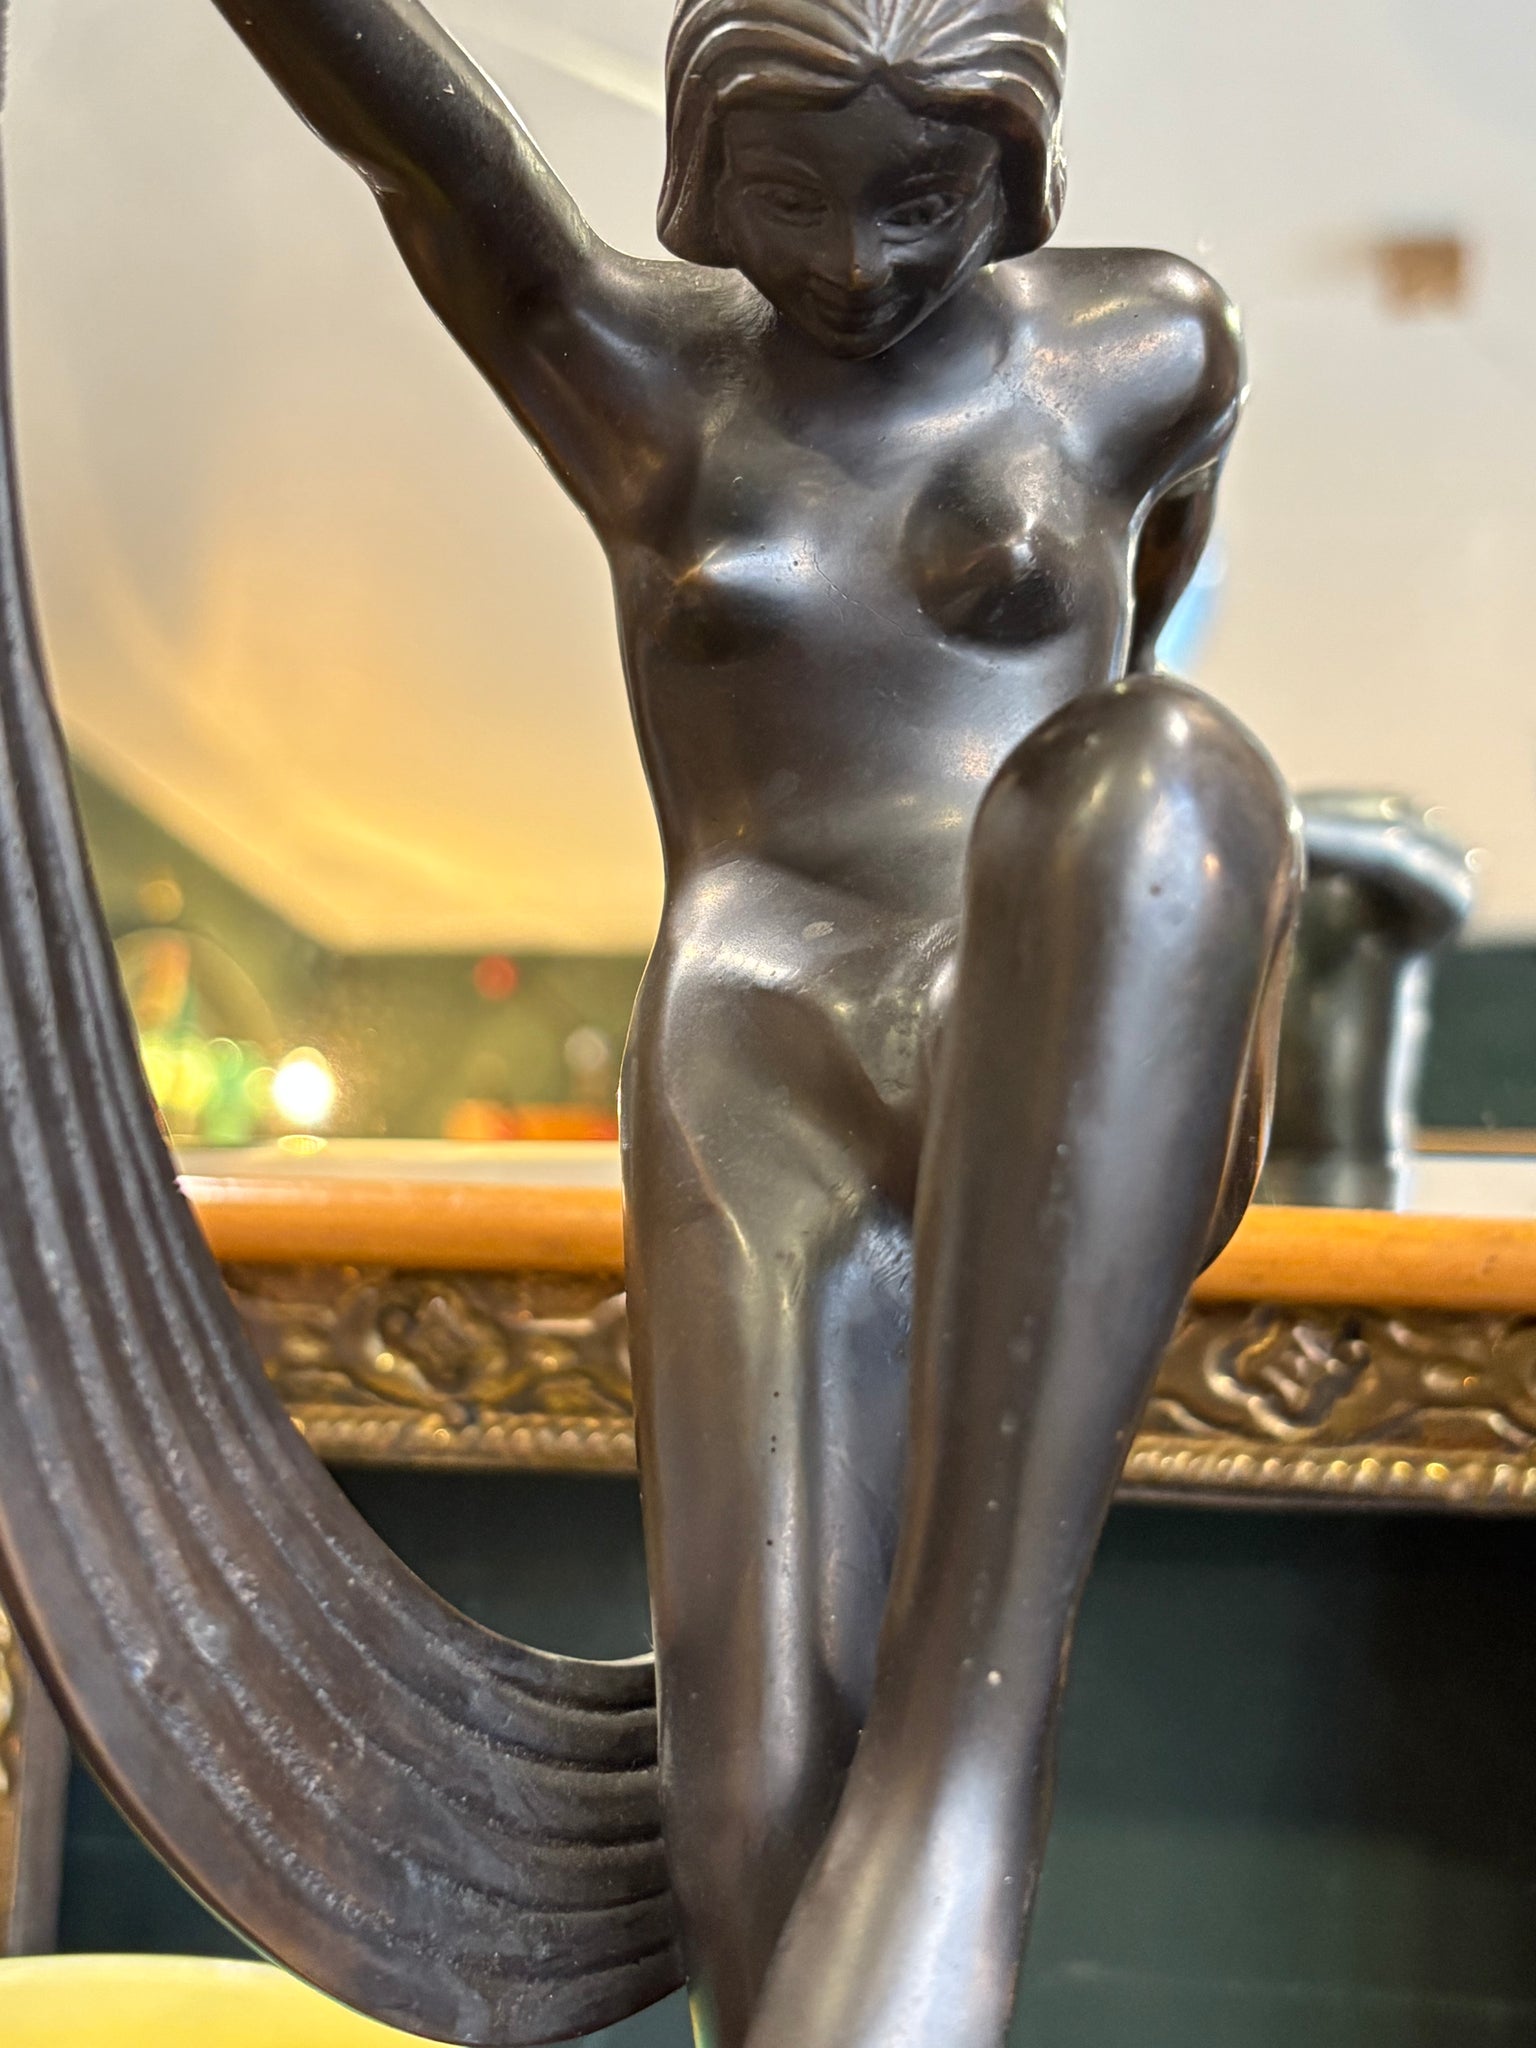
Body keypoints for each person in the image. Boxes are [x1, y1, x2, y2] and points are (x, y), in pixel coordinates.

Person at [200, 4, 1301, 2045]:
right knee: (756, 1813)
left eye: (924, 200)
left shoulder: (1150, 349)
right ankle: (897, 1843)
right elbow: (419, 141)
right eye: (791, 200)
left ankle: (964, 1771)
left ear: (1017, 174)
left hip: (1034, 996)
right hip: (752, 1042)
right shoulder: (629, 369)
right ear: (704, 175)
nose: (858, 263)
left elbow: (1149, 617)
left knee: (1161, 777)